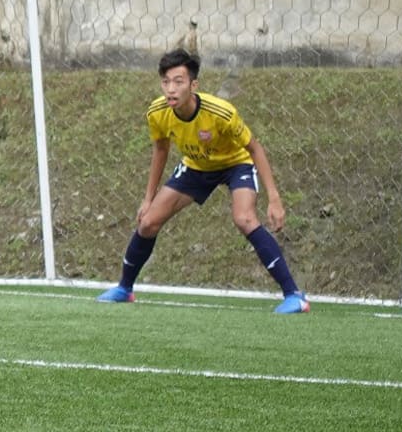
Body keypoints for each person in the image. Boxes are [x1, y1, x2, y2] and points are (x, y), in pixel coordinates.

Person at [95, 48, 306, 313]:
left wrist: (274, 199)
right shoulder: (157, 112)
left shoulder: (221, 113)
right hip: (195, 166)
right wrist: (148, 198)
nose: (171, 89)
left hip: (235, 164)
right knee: (148, 222)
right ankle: (125, 288)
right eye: (166, 82)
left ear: (193, 85)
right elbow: (161, 149)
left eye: (178, 81)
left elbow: (255, 149)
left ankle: (293, 295)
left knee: (245, 219)